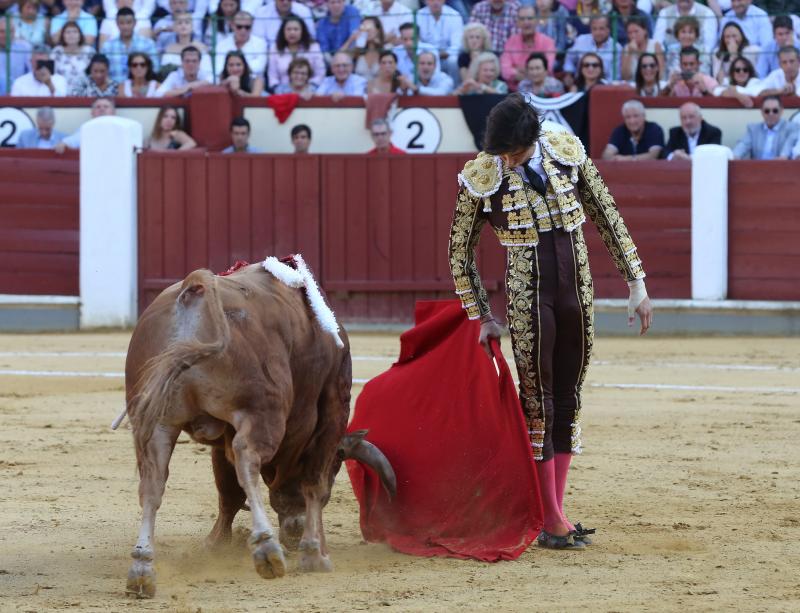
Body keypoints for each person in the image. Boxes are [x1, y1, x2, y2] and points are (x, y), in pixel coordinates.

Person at [448, 92, 651, 549]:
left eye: (514, 153)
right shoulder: (483, 175)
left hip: (577, 289)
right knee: (538, 398)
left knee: (570, 394)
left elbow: (606, 214)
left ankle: (553, 513)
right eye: (501, 153)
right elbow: (458, 254)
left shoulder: (565, 149)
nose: (508, 161)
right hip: (527, 292)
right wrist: (481, 315)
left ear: (533, 139)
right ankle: (550, 518)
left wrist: (636, 282)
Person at [500, 5, 556, 91]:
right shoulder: (511, 42)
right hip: (515, 93)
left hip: (543, 92)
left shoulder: (548, 42)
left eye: (530, 18)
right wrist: (534, 73)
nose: (526, 22)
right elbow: (505, 70)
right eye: (522, 19)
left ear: (537, 20)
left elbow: (547, 69)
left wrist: (519, 70)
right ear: (517, 22)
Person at [101, 7, 160, 83]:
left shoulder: (148, 44)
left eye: (129, 22)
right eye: (122, 23)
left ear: (135, 23)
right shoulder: (107, 46)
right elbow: (102, 70)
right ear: (116, 23)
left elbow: (155, 69)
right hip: (114, 91)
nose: (125, 27)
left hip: (140, 91)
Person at [267, 16, 325, 90]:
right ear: (283, 31)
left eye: (296, 29)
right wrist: (280, 91)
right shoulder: (275, 48)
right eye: (288, 29)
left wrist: (310, 88)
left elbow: (320, 73)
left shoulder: (313, 47)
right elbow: (273, 77)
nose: (292, 32)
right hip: (283, 92)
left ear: (302, 31)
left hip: (309, 92)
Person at [733, 95, 798, 159]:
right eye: (767, 111)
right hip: (757, 168)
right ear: (761, 111)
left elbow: (785, 154)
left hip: (781, 168)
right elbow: (741, 147)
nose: (771, 114)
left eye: (775, 110)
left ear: (781, 111)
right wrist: (734, 156)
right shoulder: (753, 129)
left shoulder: (792, 128)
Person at [563, 15, 622, 80]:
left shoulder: (616, 48)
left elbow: (614, 77)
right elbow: (569, 58)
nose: (597, 33)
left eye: (601, 29)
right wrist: (569, 74)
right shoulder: (581, 40)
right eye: (594, 29)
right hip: (580, 83)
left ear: (608, 30)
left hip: (604, 86)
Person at [415, 0, 463, 80]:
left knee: (453, 61)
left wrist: (442, 54)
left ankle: (455, 88)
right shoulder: (418, 15)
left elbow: (456, 45)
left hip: (446, 56)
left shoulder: (454, 15)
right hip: (425, 55)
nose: (436, 2)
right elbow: (417, 42)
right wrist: (430, 55)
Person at [213, 10, 267, 78]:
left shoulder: (260, 43)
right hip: (228, 81)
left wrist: (232, 68)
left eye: (247, 27)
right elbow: (218, 68)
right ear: (232, 25)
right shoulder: (222, 44)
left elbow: (260, 67)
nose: (243, 30)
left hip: (251, 83)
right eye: (239, 27)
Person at [50, 21, 95, 94]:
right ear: (63, 35)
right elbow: (51, 75)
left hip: (85, 93)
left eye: (75, 32)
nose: (71, 35)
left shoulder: (89, 51)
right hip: (60, 93)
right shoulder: (56, 52)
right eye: (68, 32)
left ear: (80, 35)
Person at [162, 11, 212, 77]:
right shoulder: (169, 48)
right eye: (179, 23)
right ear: (174, 27)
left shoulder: (201, 47)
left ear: (192, 27)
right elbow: (165, 72)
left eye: (187, 23)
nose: (183, 25)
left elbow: (207, 72)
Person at [620, 15, 664, 82]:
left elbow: (660, 74)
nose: (633, 36)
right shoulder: (626, 49)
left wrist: (637, 53)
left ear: (645, 31)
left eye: (636, 31)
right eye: (629, 33)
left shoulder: (655, 45)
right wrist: (629, 54)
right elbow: (625, 77)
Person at [0, 19, 31, 95]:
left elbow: (32, 73)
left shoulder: (24, 48)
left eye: (10, 31)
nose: (6, 35)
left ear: (14, 33)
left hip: (20, 95)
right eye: (2, 31)